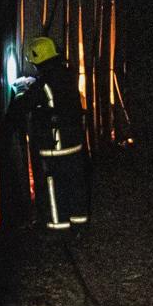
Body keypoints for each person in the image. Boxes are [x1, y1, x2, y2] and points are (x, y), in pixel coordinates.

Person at [8, 36, 91, 230]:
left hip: (56, 146)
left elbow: (21, 107)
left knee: (54, 185)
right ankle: (79, 223)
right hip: (74, 142)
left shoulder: (43, 84)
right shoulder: (67, 75)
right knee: (75, 183)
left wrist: (20, 90)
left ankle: (58, 227)